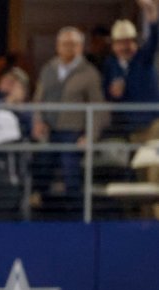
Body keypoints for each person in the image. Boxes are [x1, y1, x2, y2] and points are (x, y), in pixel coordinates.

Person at [32, 27, 106, 211]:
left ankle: (75, 217)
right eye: (65, 44)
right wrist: (37, 121)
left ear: (80, 47)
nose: (69, 48)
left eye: (73, 44)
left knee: (71, 172)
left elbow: (98, 108)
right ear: (58, 46)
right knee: (41, 170)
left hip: (73, 132)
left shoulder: (89, 73)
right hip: (48, 130)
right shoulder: (48, 69)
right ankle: (43, 215)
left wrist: (91, 135)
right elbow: (38, 100)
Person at [103, 0, 159, 139]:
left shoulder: (144, 57)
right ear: (113, 46)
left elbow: (154, 39)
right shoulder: (110, 64)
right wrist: (112, 93)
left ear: (135, 43)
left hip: (150, 123)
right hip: (124, 126)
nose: (124, 48)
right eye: (119, 43)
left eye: (128, 42)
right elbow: (105, 91)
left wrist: (152, 17)